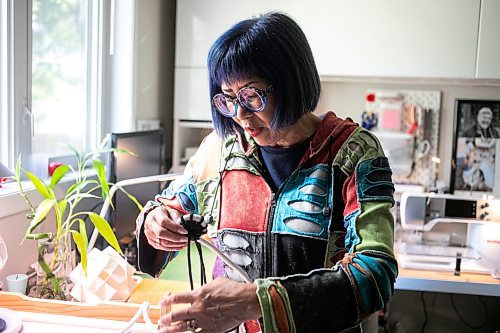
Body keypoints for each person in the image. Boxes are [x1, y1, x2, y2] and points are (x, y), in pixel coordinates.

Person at [136, 12, 397, 333]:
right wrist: (156, 222)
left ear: (291, 82)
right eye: (228, 98)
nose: (240, 114)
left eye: (252, 95)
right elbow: (169, 207)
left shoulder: (352, 152)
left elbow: (376, 271)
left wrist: (256, 302)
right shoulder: (218, 150)